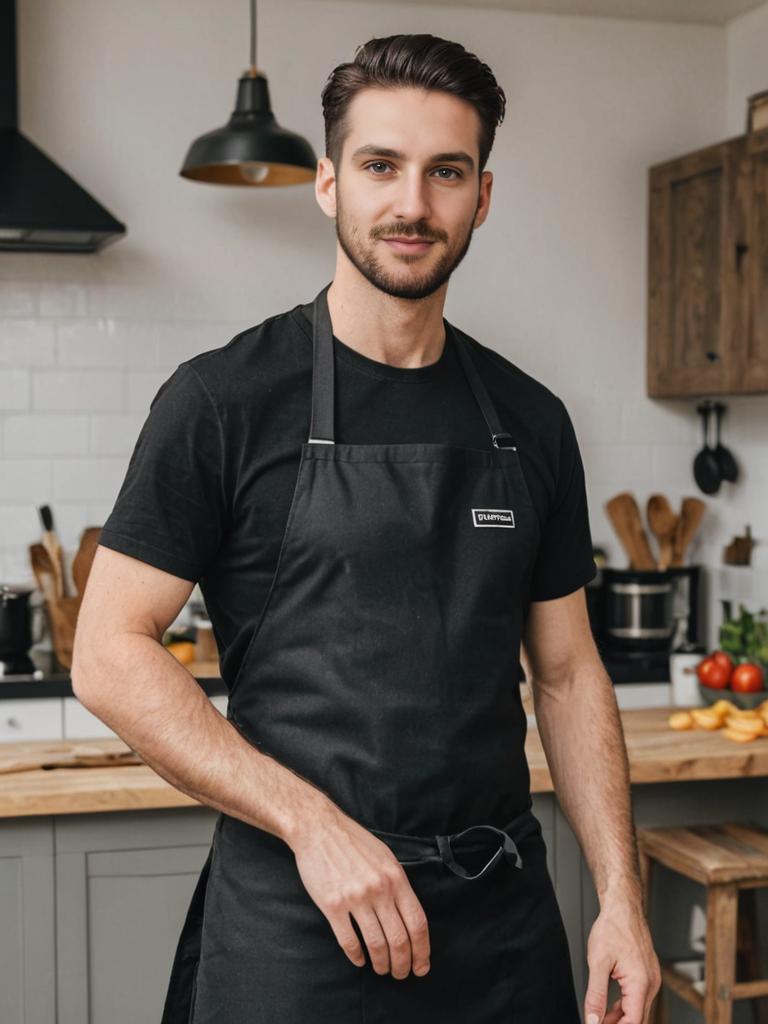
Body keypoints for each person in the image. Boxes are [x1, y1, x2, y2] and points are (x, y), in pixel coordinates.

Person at [72, 32, 660, 1024]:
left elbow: (566, 671)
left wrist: (621, 900)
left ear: (483, 196)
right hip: (303, 919)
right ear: (329, 183)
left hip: (500, 925)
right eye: (381, 165)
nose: (412, 204)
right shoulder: (224, 401)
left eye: (446, 172)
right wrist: (311, 824)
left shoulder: (531, 419)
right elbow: (106, 652)